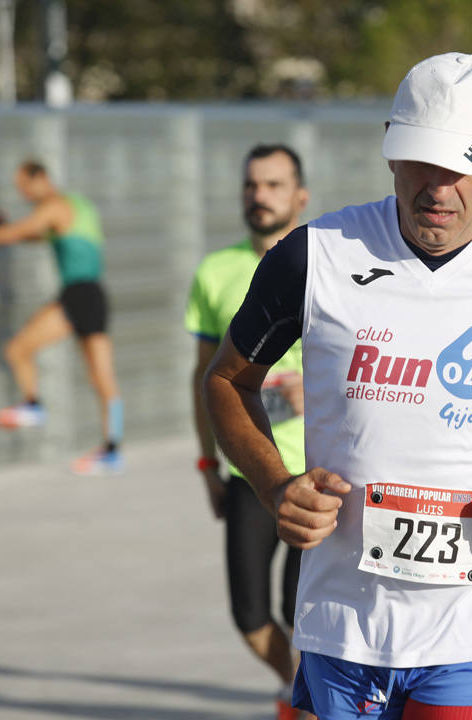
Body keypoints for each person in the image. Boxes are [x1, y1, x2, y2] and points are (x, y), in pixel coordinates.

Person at [202, 52, 472, 720]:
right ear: (390, 152)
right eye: (421, 160)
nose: (438, 186)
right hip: (343, 626)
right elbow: (227, 381)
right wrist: (274, 485)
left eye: (462, 163)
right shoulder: (314, 257)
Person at [185, 144, 311, 720]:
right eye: (251, 185)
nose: (259, 196)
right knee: (250, 615)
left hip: (320, 468)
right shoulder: (215, 271)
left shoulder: (327, 262)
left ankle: (312, 701)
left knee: (303, 606)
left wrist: (315, 393)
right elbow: (205, 376)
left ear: (299, 196)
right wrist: (206, 462)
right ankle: (298, 687)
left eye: (273, 185)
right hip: (249, 466)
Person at [0, 161, 124, 474]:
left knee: (17, 349)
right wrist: (1, 230)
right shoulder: (76, 206)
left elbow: (17, 232)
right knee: (102, 378)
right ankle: (113, 449)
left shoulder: (53, 206)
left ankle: (33, 405)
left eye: (24, 186)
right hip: (93, 295)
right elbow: (32, 235)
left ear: (41, 179)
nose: (23, 194)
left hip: (79, 295)